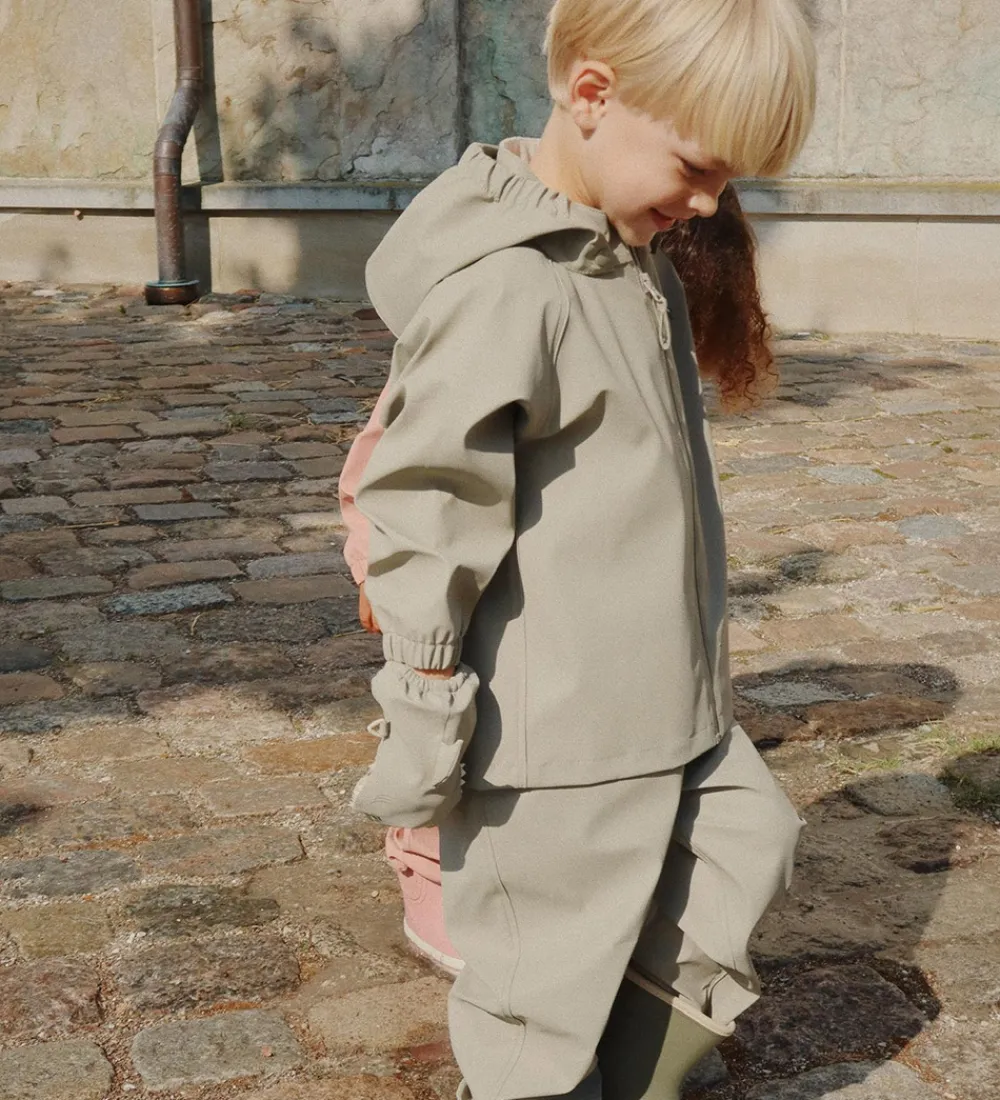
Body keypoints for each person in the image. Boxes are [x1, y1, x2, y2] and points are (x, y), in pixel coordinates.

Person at [343, 2, 817, 1097]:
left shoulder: (630, 260)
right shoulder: (510, 284)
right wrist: (425, 701)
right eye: (697, 168)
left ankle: (628, 1069)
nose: (708, 203)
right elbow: (425, 500)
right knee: (539, 998)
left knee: (746, 841)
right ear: (593, 96)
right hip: (557, 735)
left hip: (668, 699)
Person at [338, 181, 778, 979]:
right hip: (467, 599)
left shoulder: (638, 328)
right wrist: (389, 586)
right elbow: (397, 479)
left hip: (563, 608)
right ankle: (435, 878)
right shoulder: (506, 312)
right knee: (466, 746)